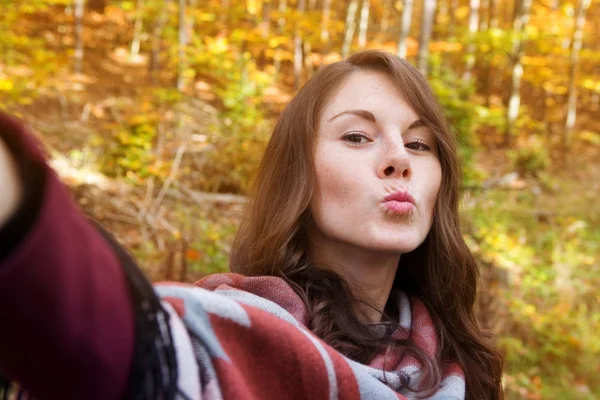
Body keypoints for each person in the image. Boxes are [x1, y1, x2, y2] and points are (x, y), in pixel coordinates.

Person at [0, 50, 503, 400]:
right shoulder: (220, 333)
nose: (399, 159)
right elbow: (107, 340)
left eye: (419, 144)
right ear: (299, 177)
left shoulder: (461, 370)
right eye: (356, 136)